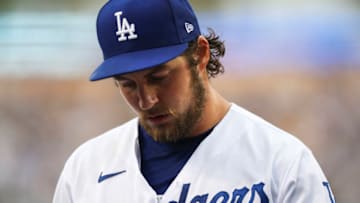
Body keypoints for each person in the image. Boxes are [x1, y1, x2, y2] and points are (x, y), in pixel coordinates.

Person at [53, 0, 336, 202]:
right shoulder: (85, 169)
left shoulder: (281, 162)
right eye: (128, 84)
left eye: (160, 77)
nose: (146, 100)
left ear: (200, 54)